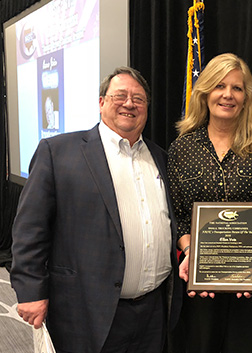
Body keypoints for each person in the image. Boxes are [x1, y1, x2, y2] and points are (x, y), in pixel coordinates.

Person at [10, 67, 182, 353]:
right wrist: (30, 291)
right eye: (120, 96)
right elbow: (30, 228)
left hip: (153, 311)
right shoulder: (59, 152)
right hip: (87, 309)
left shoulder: (161, 158)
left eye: (139, 99)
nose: (129, 103)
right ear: (101, 102)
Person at [167, 53, 252, 353]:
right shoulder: (182, 148)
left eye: (237, 88)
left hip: (251, 284)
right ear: (205, 91)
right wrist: (191, 251)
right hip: (199, 282)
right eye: (220, 86)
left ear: (246, 97)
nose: (228, 95)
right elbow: (177, 215)